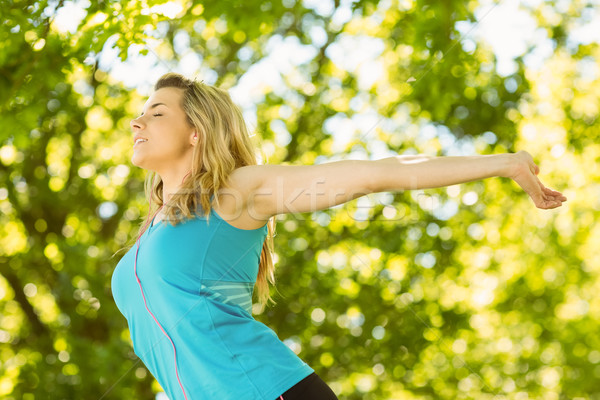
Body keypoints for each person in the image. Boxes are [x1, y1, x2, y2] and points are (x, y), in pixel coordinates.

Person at [110, 72, 567, 400]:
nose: (138, 122)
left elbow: (375, 175)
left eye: (156, 112)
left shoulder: (237, 191)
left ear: (195, 132)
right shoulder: (150, 230)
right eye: (140, 113)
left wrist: (503, 163)